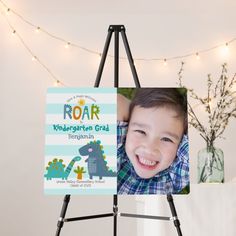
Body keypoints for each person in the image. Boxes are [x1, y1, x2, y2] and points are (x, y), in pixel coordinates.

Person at [117, 88, 189, 194]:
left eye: (166, 139)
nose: (150, 148)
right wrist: (134, 108)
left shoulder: (174, 177)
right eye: (141, 132)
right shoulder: (114, 152)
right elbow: (117, 103)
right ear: (127, 127)